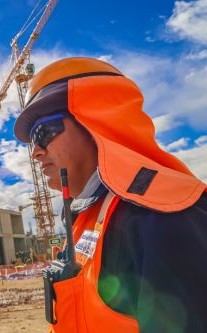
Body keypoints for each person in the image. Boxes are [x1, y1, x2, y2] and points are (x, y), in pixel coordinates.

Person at [13, 57, 207, 333]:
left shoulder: (166, 218)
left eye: (42, 132)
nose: (35, 152)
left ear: (95, 120)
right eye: (32, 140)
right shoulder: (88, 216)